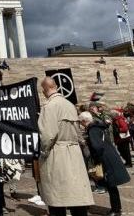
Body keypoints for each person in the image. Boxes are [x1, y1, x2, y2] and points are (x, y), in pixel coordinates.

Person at [38, 77, 93, 216]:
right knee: (76, 195)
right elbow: (78, 132)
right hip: (74, 152)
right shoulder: (70, 104)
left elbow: (48, 135)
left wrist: (43, 152)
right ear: (55, 86)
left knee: (57, 196)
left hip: (57, 152)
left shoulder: (49, 106)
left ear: (44, 90)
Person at [79, 111, 129, 216]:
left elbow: (97, 146)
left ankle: (115, 210)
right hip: (110, 156)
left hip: (105, 159)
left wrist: (95, 158)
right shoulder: (98, 126)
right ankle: (116, 208)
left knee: (111, 185)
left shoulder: (92, 129)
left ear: (84, 121)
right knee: (112, 186)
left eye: (81, 122)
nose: (81, 125)